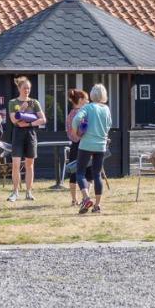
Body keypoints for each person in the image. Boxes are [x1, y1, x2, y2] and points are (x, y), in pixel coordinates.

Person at [70, 83, 112, 214]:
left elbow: (76, 119)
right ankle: (97, 205)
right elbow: (109, 125)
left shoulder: (88, 107)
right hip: (101, 145)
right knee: (97, 174)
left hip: (86, 144)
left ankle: (86, 198)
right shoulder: (106, 109)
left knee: (80, 172)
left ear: (92, 95)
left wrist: (76, 132)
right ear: (104, 95)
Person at [7, 76, 46, 201]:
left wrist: (29, 123)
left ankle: (29, 192)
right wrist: (23, 109)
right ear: (19, 88)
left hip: (30, 133)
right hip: (18, 133)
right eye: (24, 88)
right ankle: (15, 192)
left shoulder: (35, 102)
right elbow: (14, 120)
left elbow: (43, 119)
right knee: (16, 164)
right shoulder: (13, 102)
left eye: (28, 88)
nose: (27, 91)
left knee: (30, 165)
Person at [64, 88, 89, 205]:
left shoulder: (70, 114)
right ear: (80, 100)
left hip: (74, 146)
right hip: (85, 145)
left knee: (74, 172)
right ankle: (86, 197)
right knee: (88, 171)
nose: (88, 102)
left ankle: (74, 199)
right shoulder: (84, 114)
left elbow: (70, 133)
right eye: (86, 99)